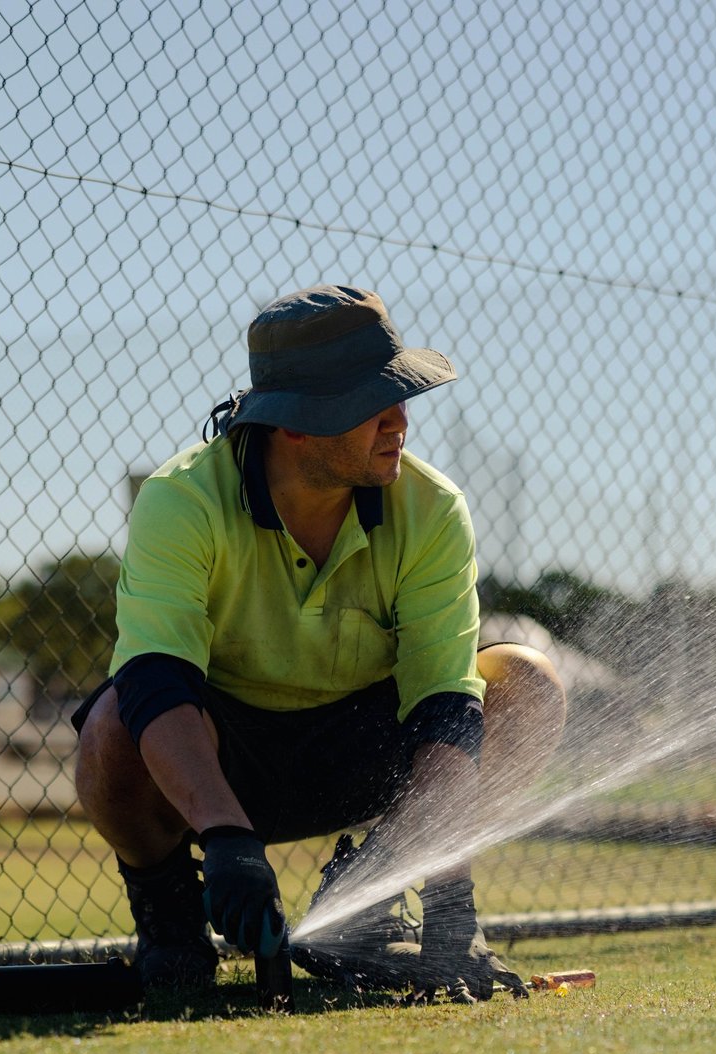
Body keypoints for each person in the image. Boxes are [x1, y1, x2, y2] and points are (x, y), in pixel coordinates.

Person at [73, 284, 567, 1001]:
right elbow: (158, 679)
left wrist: (450, 903)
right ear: (296, 425)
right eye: (375, 403)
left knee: (523, 682)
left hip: (369, 754)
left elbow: (445, 707)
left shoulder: (432, 510)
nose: (400, 420)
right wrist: (226, 838)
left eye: (402, 395)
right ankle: (172, 934)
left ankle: (371, 900)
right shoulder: (181, 499)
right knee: (113, 724)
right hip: (222, 762)